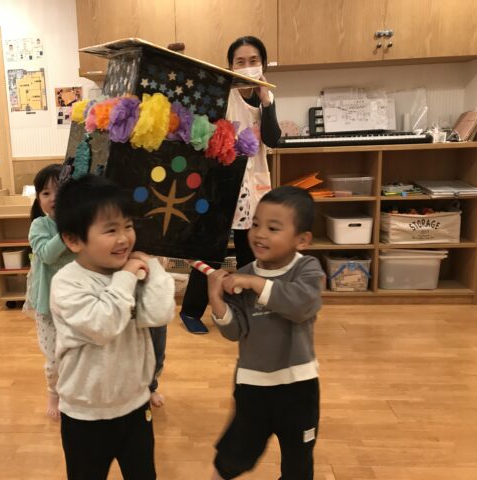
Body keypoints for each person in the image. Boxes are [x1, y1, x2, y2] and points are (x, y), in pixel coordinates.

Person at [50, 174, 175, 479]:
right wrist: (128, 276)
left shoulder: (132, 271)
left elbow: (159, 313)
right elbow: (103, 325)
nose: (124, 238)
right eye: (110, 230)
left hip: (135, 405)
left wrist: (151, 265)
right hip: (85, 415)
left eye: (128, 226)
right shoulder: (67, 283)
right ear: (74, 240)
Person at [206, 186, 324, 480]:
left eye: (273, 228)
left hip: (299, 386)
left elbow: (301, 305)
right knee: (235, 455)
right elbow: (236, 331)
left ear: (302, 239)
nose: (259, 234)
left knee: (299, 462)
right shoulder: (245, 272)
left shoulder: (307, 268)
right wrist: (217, 301)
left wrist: (255, 284)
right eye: (255, 224)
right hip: (253, 385)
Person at [180, 35, 282, 334]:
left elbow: (273, 139)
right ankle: (191, 311)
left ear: (263, 65)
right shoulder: (223, 95)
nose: (247, 66)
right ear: (230, 66)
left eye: (253, 61)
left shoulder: (267, 98)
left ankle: (245, 309)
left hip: (255, 183)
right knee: (210, 250)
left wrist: (266, 101)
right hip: (222, 184)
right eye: (240, 61)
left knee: (251, 250)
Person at [23, 164, 75, 419]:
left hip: (76, 303)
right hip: (47, 306)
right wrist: (68, 230)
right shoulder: (39, 226)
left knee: (76, 353)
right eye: (46, 193)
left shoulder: (81, 223)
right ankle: (53, 392)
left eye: (60, 191)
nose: (53, 197)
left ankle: (73, 391)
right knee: (54, 359)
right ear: (38, 199)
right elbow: (46, 253)